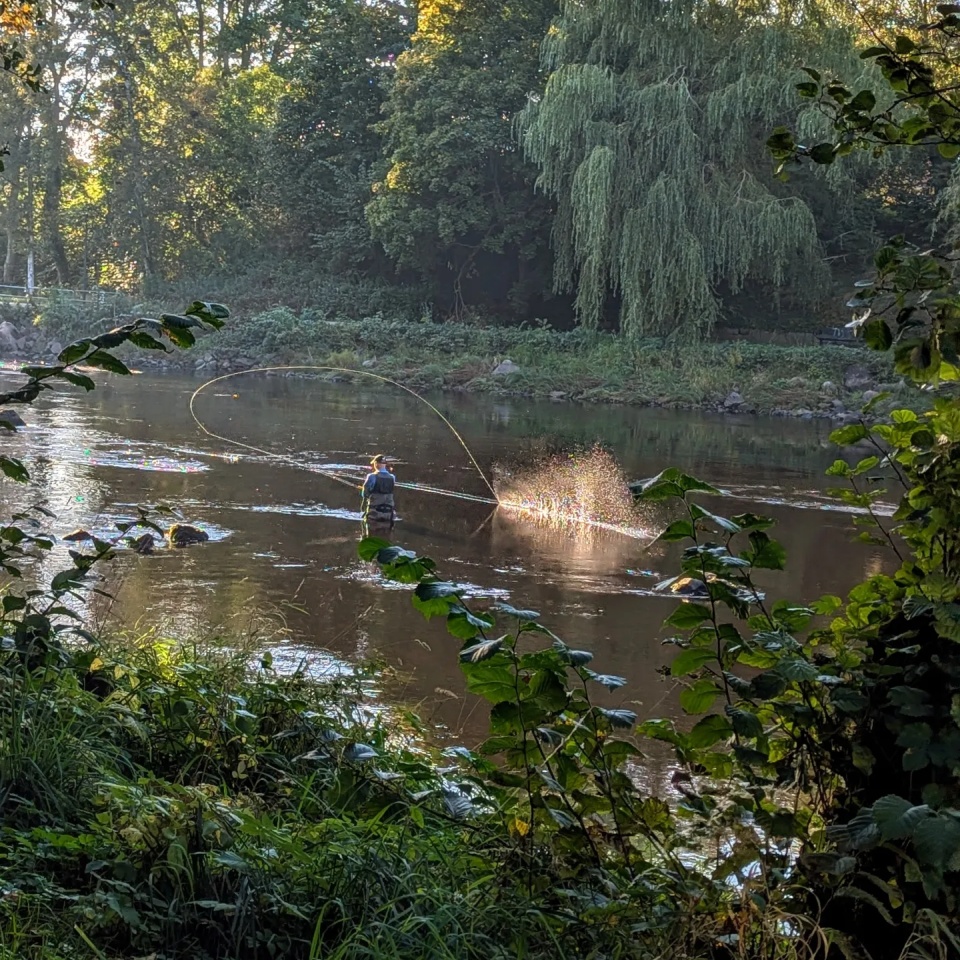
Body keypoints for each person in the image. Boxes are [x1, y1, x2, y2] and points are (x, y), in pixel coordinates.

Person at [360, 454, 396, 532]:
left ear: (376, 464)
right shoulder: (392, 477)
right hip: (389, 514)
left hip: (374, 514)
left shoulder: (371, 476)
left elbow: (364, 494)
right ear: (385, 464)